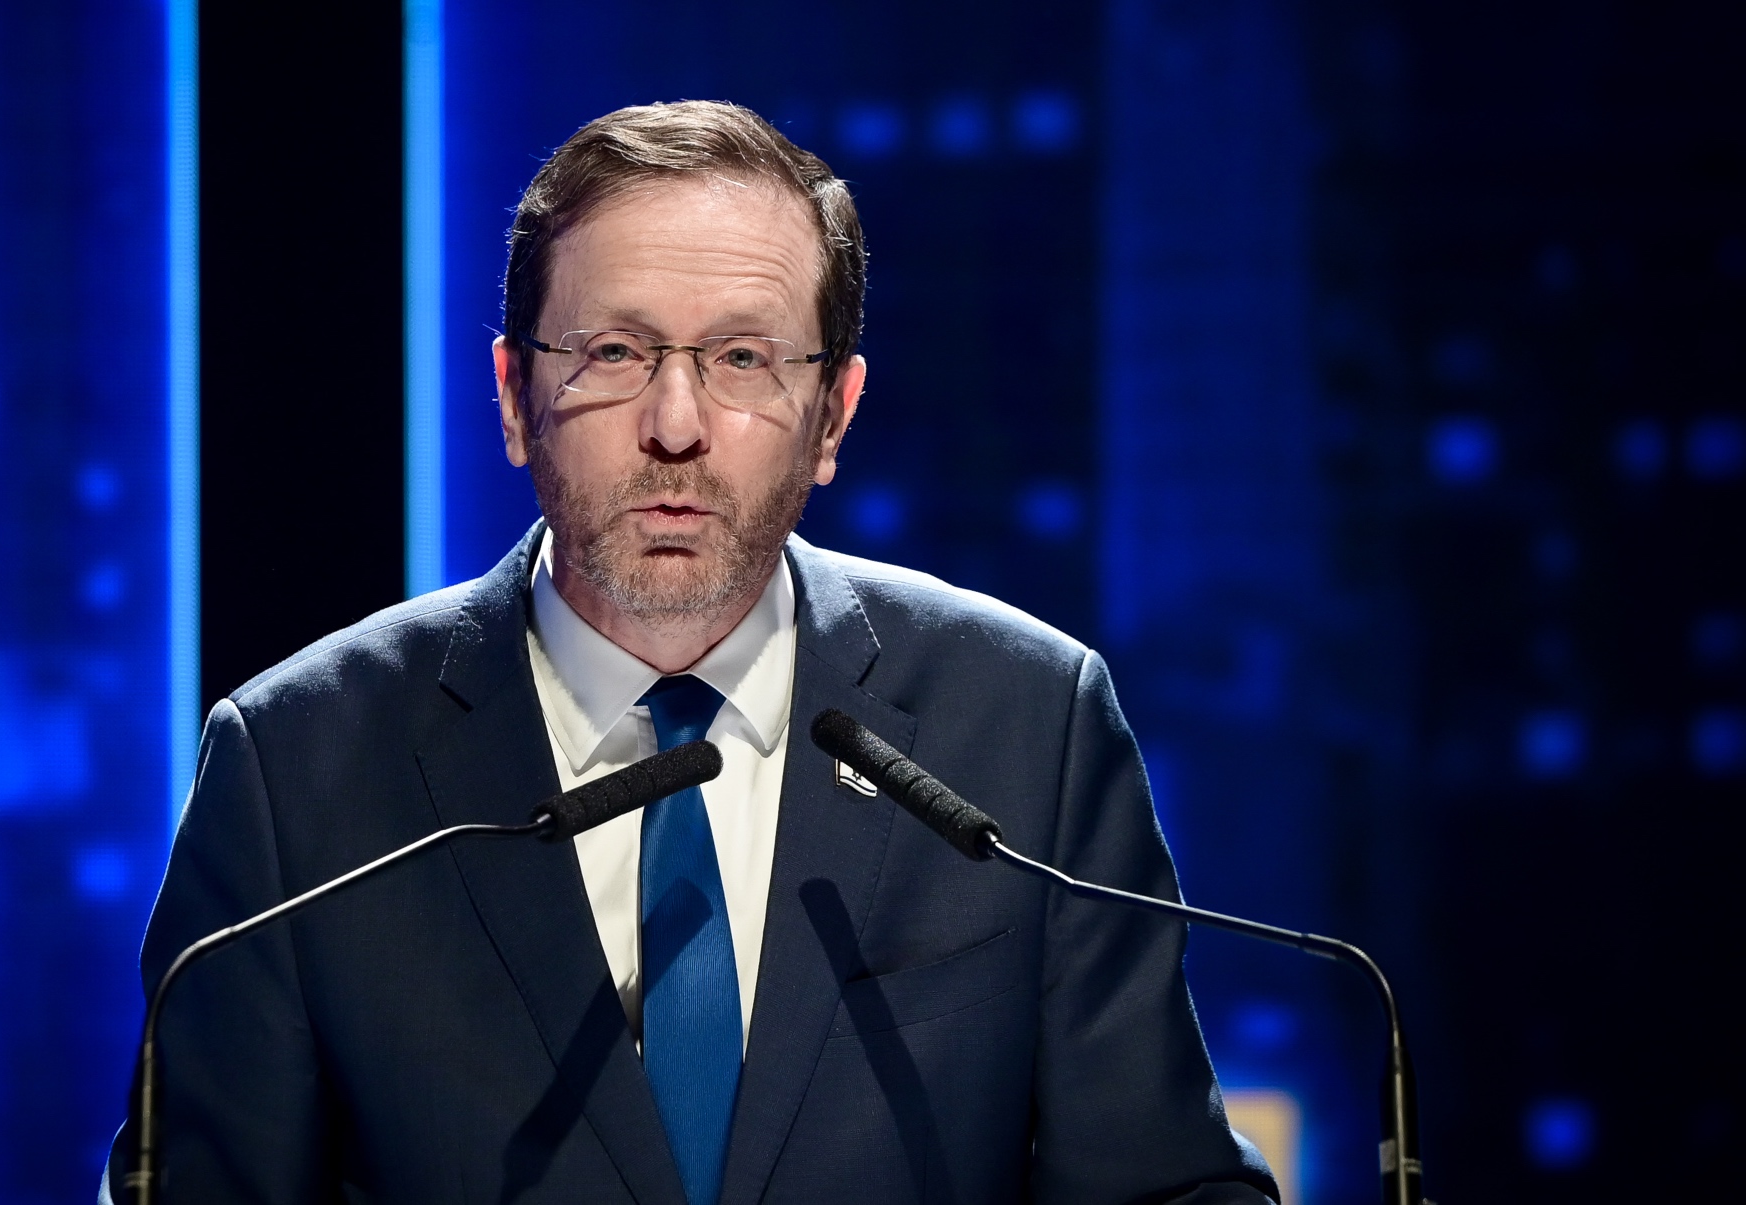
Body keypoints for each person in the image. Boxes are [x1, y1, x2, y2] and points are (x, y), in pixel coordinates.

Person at [106, 101, 1277, 1205]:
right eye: (613, 352)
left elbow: (1164, 1185)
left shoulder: (1028, 722)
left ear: (834, 418)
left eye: (744, 360)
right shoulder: (293, 766)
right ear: (514, 395)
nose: (677, 425)